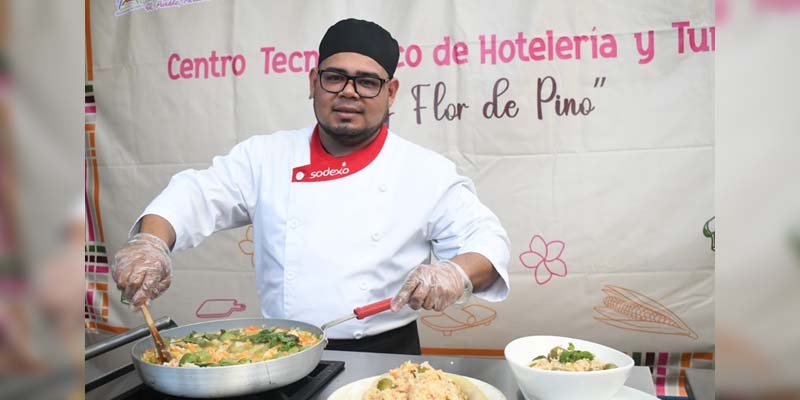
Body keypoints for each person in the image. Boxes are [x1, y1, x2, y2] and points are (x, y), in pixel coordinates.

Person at [112, 18, 510, 355]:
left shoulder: (426, 171)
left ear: (391, 93)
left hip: (385, 355)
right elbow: (194, 195)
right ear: (313, 82)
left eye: (368, 82)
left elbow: (486, 241)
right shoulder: (265, 157)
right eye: (334, 77)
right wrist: (151, 244)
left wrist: (455, 274)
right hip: (277, 350)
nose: (349, 92)